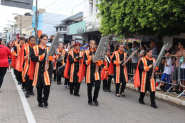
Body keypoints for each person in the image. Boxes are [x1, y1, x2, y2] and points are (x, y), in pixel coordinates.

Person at [30, 34, 53, 108]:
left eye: (46, 39)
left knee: (47, 86)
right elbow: (33, 58)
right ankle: (39, 101)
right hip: (38, 70)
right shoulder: (35, 48)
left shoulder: (49, 48)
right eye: (44, 39)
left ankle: (45, 100)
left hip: (46, 70)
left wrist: (51, 58)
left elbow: (52, 58)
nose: (45, 41)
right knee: (39, 87)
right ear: (40, 39)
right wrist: (40, 57)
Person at [78, 40, 103, 106]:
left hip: (96, 71)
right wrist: (90, 59)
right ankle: (90, 100)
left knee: (97, 86)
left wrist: (96, 61)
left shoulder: (98, 52)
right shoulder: (86, 52)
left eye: (94, 44)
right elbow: (85, 62)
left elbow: (101, 61)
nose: (93, 45)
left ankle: (95, 99)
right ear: (89, 44)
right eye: (91, 43)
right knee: (89, 87)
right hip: (89, 72)